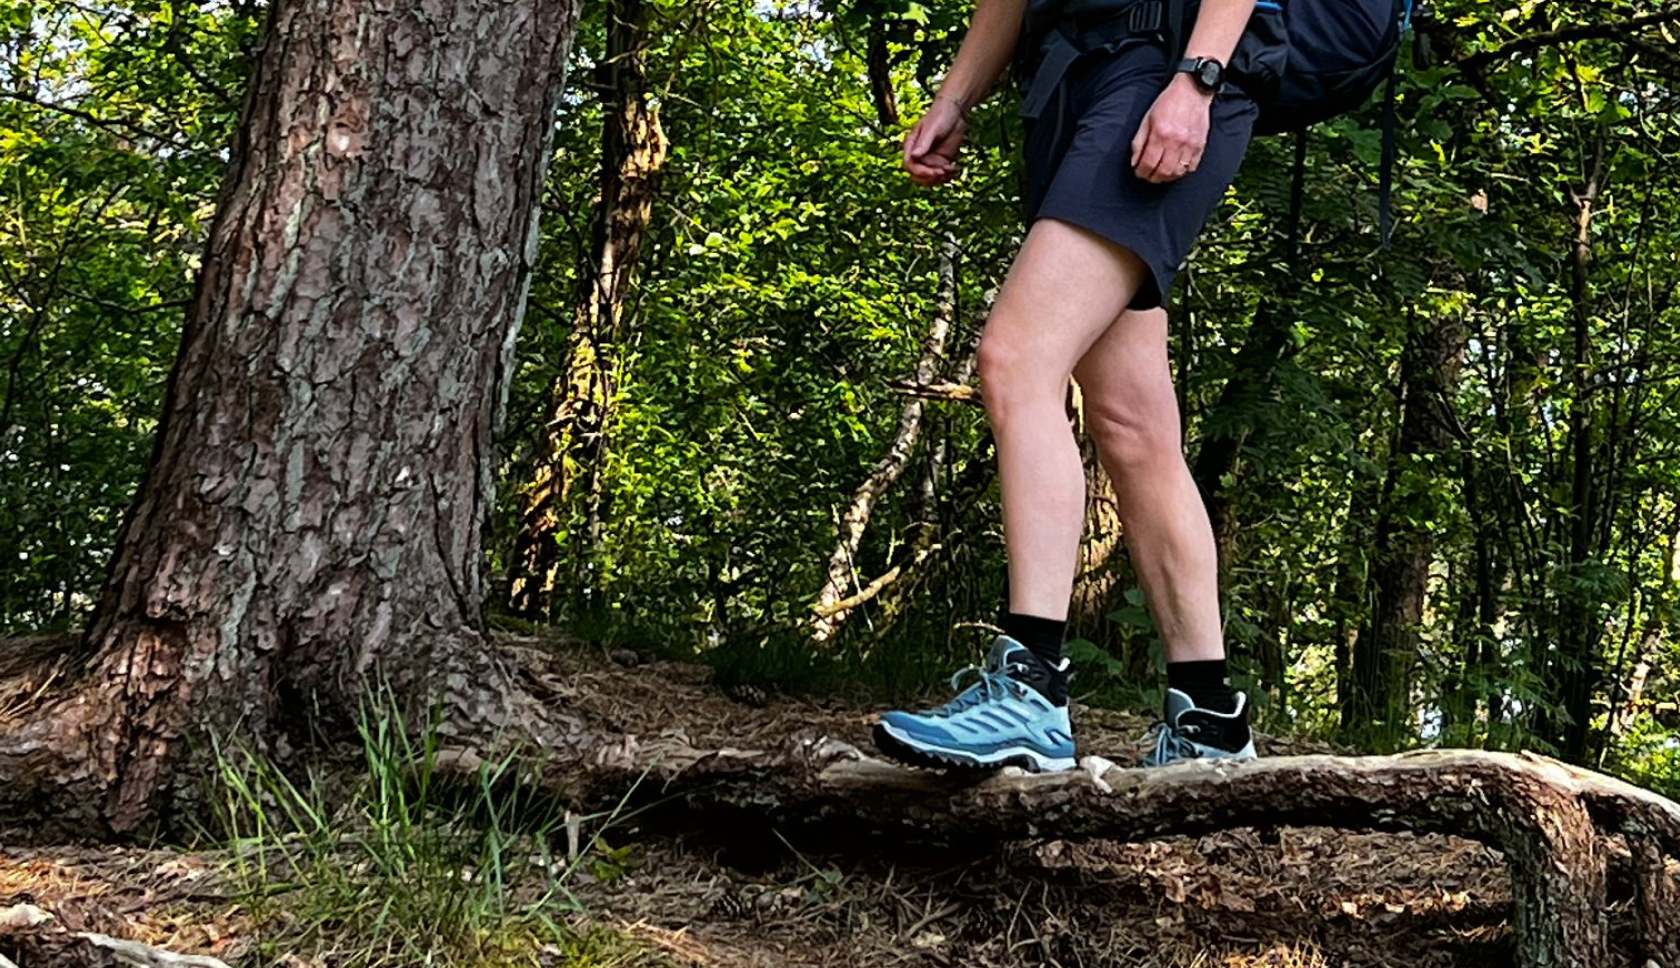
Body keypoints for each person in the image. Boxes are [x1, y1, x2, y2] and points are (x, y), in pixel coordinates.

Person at [872, 0, 1263, 772]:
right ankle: (1210, 719)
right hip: (1074, 83)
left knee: (1017, 359)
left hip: (1162, 74)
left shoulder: (1182, 78)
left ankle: (1030, 689)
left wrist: (1199, 77)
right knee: (1131, 425)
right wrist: (956, 96)